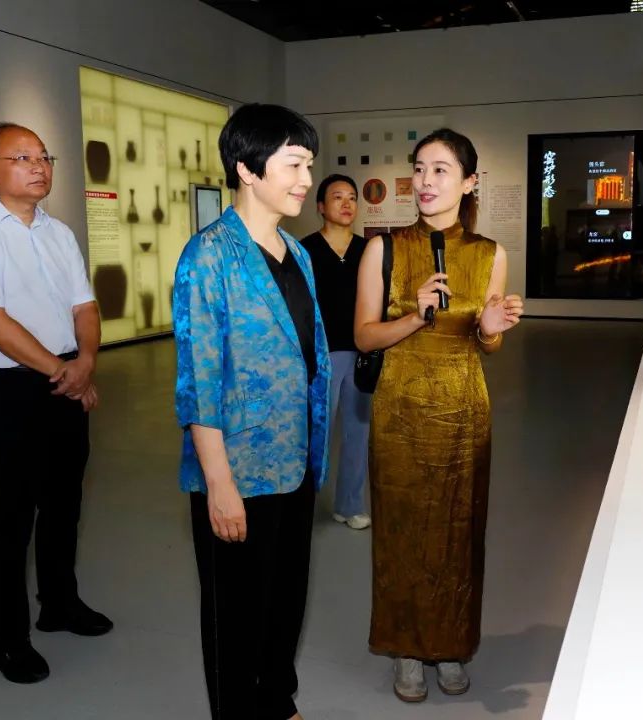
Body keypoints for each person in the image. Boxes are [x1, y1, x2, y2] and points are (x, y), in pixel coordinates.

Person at [354, 128, 524, 703]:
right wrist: (414, 315)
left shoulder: (490, 254)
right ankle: (406, 647)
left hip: (462, 409)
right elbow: (363, 336)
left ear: (469, 182)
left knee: (458, 529)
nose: (425, 181)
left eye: (441, 170)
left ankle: (451, 643)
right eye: (420, 168)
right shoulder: (383, 248)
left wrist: (491, 330)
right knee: (402, 529)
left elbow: (486, 342)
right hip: (399, 408)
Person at [172, 104, 330, 720]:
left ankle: (276, 699)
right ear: (247, 168)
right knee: (235, 613)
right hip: (238, 468)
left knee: (286, 597)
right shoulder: (208, 256)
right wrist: (219, 485)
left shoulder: (297, 252)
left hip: (296, 459)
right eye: (294, 164)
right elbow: (198, 383)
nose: (306, 180)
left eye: (309, 165)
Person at [0, 122, 108, 685]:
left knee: (64, 501)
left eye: (44, 157)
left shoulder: (59, 232)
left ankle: (59, 604)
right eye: (22, 157)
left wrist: (85, 362)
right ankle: (6, 641)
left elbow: (85, 307)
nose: (39, 167)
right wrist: (64, 371)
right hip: (6, 389)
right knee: (11, 515)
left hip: (64, 378)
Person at [300, 174, 371, 530]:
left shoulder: (368, 250)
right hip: (321, 356)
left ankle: (349, 504)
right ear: (321, 206)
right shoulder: (305, 250)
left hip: (361, 353)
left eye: (352, 197)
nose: (346, 204)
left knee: (358, 433)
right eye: (338, 197)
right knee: (316, 433)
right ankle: (300, 504)